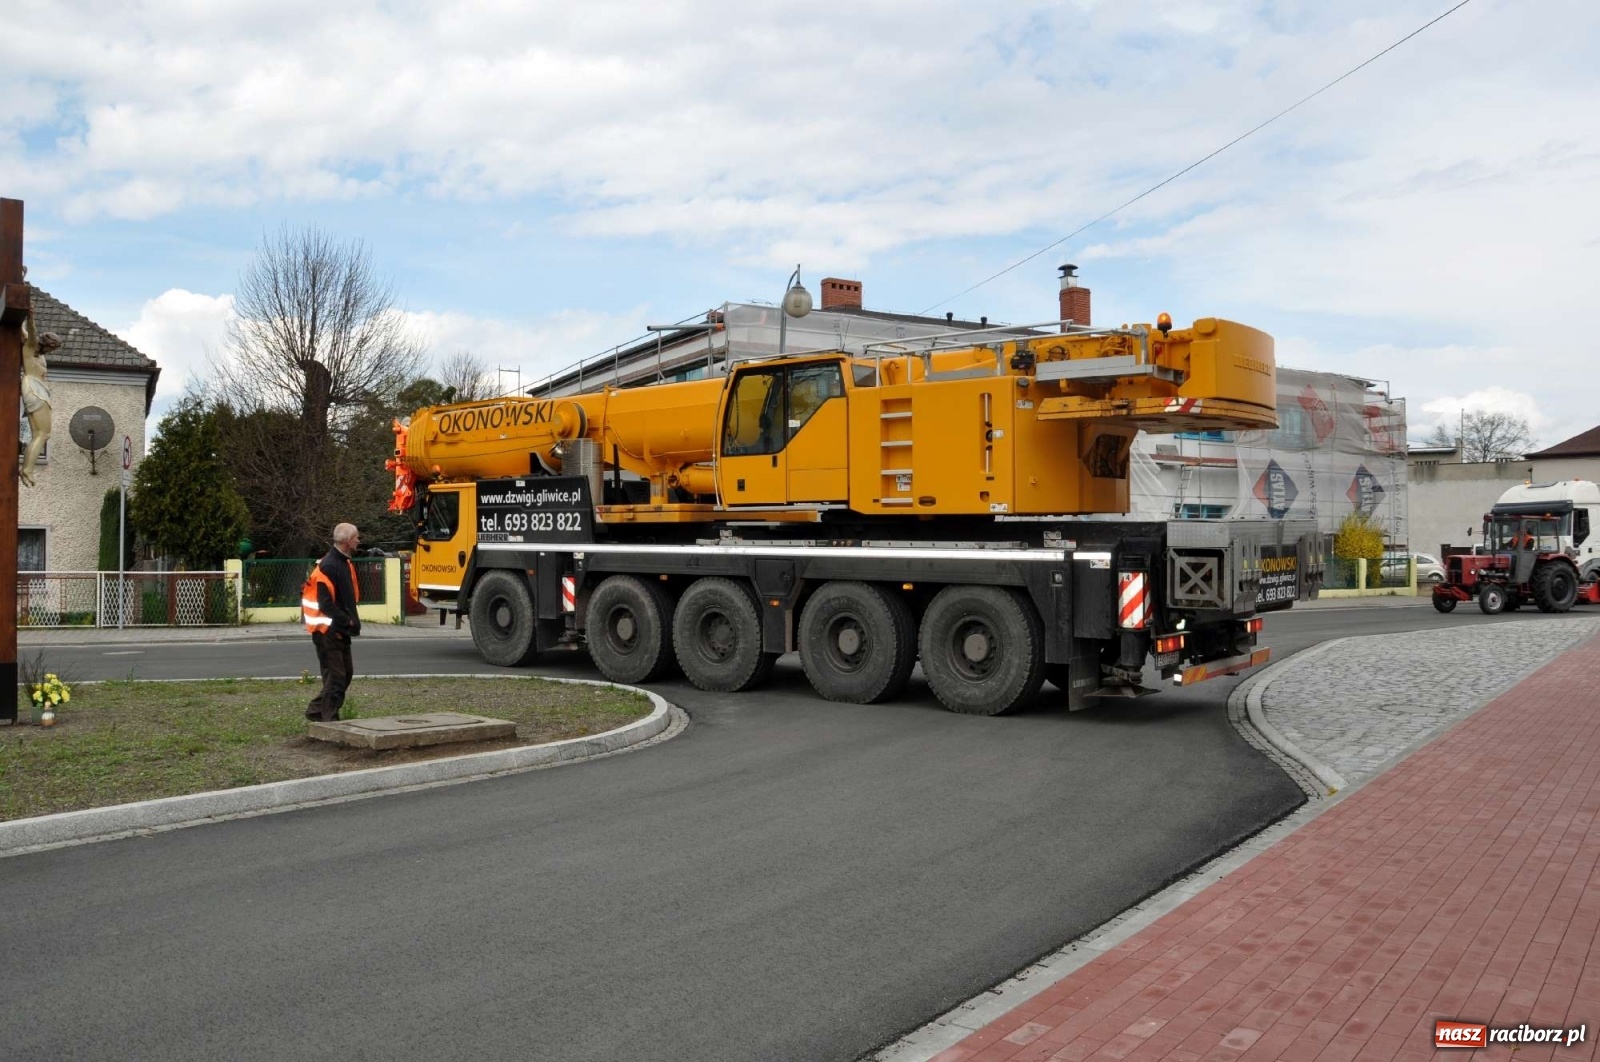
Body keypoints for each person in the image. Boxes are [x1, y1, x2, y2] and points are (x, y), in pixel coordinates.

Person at [303, 523, 363, 722]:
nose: (358, 540)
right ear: (347, 541)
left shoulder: (342, 562)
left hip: (336, 629)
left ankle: (316, 711)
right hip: (327, 630)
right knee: (337, 677)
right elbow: (326, 604)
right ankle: (329, 721)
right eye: (356, 537)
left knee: (344, 674)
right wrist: (346, 622)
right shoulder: (330, 565)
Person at [20, 313, 61, 488]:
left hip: (38, 389)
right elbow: (31, 330)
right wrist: (30, 316)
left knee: (40, 433)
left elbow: (21, 329)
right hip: (34, 389)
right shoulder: (30, 346)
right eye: (53, 347)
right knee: (44, 433)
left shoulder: (39, 353)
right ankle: (27, 469)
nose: (53, 351)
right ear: (46, 343)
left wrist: (24, 318)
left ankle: (26, 469)